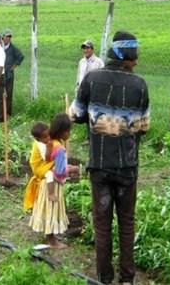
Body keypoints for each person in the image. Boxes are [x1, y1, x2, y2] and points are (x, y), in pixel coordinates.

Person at [70, 31, 150, 285]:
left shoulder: (92, 80)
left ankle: (105, 278)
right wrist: (122, 126)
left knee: (102, 223)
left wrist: (98, 120)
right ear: (124, 57)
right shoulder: (139, 85)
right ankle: (127, 279)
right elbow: (143, 126)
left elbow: (76, 114)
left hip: (99, 165)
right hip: (127, 167)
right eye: (134, 57)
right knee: (126, 222)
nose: (136, 62)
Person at [28, 113, 79, 249]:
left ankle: (50, 236)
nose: (69, 134)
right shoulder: (59, 148)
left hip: (46, 182)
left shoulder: (52, 144)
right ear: (63, 132)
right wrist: (73, 169)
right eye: (68, 131)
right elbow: (60, 171)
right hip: (52, 184)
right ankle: (52, 240)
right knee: (51, 208)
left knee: (46, 208)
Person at [76, 40, 104, 145]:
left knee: (95, 115)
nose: (85, 50)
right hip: (83, 92)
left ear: (92, 49)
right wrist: (77, 88)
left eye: (88, 48)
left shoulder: (98, 62)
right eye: (84, 48)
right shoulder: (81, 62)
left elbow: (102, 78)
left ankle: (96, 138)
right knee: (86, 115)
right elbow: (79, 76)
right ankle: (89, 138)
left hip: (94, 92)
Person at [23, 122, 55, 212]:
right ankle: (51, 193)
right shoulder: (40, 145)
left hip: (43, 164)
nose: (48, 138)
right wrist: (49, 148)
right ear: (38, 139)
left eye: (49, 135)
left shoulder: (43, 141)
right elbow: (47, 158)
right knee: (50, 174)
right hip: (38, 168)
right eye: (45, 137)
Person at [2, 29, 24, 117]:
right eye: (7, 36)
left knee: (8, 93)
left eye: (10, 37)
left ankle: (8, 113)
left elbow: (21, 57)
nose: (8, 38)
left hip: (9, 74)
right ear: (3, 37)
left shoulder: (13, 48)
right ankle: (0, 112)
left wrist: (13, 67)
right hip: (0, 73)